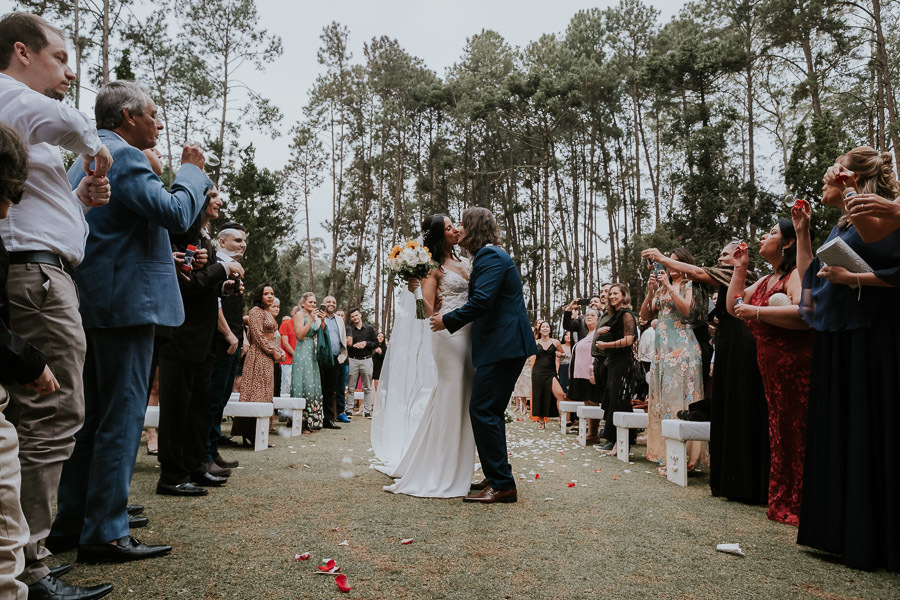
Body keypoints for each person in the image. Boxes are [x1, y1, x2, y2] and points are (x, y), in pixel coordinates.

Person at [49, 80, 211, 565]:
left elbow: (117, 231)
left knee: (92, 417)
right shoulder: (125, 156)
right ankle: (106, 531)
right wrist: (191, 171)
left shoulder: (85, 157)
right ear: (126, 117)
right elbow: (178, 213)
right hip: (128, 307)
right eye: (153, 114)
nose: (158, 123)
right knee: (121, 417)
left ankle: (73, 523)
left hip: (96, 301)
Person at [0, 12, 117, 592]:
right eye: (60, 58)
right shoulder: (9, 96)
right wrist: (95, 149)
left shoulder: (22, 116)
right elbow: (66, 120)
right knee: (54, 413)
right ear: (21, 52)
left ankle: (25, 554)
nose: (68, 72)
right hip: (37, 280)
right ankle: (27, 563)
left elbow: (41, 208)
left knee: (40, 415)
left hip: (44, 274)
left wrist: (82, 200)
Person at [793, 147, 900, 570]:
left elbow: (892, 266)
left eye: (830, 171)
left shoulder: (876, 216)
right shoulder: (842, 224)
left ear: (848, 176)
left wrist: (851, 276)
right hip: (837, 336)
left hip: (868, 337)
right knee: (840, 429)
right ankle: (836, 531)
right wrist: (803, 233)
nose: (823, 178)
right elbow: (810, 277)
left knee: (866, 428)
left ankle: (870, 536)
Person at [643, 243, 769, 504]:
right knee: (724, 409)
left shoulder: (740, 274)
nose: (719, 258)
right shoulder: (727, 279)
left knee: (739, 406)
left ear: (739, 256)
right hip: (723, 343)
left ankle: (736, 474)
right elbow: (711, 316)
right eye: (720, 253)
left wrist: (662, 259)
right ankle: (729, 475)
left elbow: (697, 275)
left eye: (725, 254)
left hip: (740, 344)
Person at [431, 207, 537, 504]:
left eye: (463, 223)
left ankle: (503, 484)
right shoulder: (485, 256)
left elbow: (482, 301)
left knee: (482, 409)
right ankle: (496, 475)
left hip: (504, 345)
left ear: (474, 227)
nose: (459, 228)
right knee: (489, 410)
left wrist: (447, 321)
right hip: (502, 345)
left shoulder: (491, 256)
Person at [379, 214, 477, 497]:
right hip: (447, 335)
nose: (454, 230)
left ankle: (457, 463)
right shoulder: (432, 268)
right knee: (451, 393)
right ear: (438, 235)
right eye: (448, 228)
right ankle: (442, 468)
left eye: (453, 225)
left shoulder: (464, 263)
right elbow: (428, 312)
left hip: (470, 333)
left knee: (464, 395)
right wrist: (417, 291)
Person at [727, 218, 811, 526]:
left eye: (772, 232)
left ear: (788, 243)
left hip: (795, 368)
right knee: (781, 434)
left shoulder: (793, 275)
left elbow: (803, 312)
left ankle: (800, 503)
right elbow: (733, 305)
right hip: (771, 371)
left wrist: (758, 312)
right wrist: (739, 268)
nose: (764, 236)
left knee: (797, 433)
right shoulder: (764, 281)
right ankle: (783, 500)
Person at [157, 186, 239, 495]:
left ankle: (195, 466)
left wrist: (223, 288)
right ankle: (171, 476)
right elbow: (185, 284)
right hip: (181, 336)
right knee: (177, 408)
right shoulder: (181, 231)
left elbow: (202, 287)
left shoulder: (203, 236)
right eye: (214, 194)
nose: (219, 200)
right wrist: (222, 268)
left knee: (198, 407)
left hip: (203, 340)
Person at [639, 250, 704, 472]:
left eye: (676, 262)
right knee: (664, 400)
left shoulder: (690, 285)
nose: (671, 266)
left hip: (682, 349)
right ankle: (668, 454)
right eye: (669, 262)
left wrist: (668, 287)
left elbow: (687, 312)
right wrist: (650, 293)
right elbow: (645, 316)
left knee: (681, 400)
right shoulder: (660, 286)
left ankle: (687, 459)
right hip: (662, 352)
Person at [205, 222, 246, 469]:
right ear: (222, 242)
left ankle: (213, 450)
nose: (242, 245)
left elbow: (234, 308)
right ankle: (206, 455)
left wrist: (244, 338)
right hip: (220, 340)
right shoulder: (215, 265)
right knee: (213, 398)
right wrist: (229, 334)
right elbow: (215, 305)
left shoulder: (237, 268)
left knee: (222, 399)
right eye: (237, 241)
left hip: (234, 339)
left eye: (243, 241)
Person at [232, 284, 285, 445]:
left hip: (268, 357)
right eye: (266, 293)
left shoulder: (268, 313)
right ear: (259, 296)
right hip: (258, 355)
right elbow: (258, 336)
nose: (270, 296)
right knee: (256, 393)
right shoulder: (255, 312)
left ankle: (261, 432)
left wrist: (279, 351)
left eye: (272, 293)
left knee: (267, 393)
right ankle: (249, 431)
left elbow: (272, 337)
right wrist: (273, 351)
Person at [594, 283, 638, 454]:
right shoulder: (614, 315)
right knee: (613, 400)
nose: (611, 296)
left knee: (621, 401)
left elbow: (628, 340)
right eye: (610, 294)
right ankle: (614, 440)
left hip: (623, 363)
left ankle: (622, 442)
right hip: (613, 362)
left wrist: (605, 344)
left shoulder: (627, 315)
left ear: (623, 295)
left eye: (615, 294)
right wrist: (600, 334)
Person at [566, 308, 603, 440]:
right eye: (587, 315)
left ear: (599, 319)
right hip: (580, 375)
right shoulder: (587, 334)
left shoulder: (598, 335)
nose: (589, 317)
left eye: (593, 315)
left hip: (590, 374)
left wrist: (593, 372)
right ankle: (592, 432)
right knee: (587, 402)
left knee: (592, 401)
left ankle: (593, 432)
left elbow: (596, 355)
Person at [291, 292, 324, 431]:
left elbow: (319, 332)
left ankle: (313, 420)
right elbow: (299, 334)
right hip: (302, 351)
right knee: (303, 382)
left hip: (311, 351)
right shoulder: (299, 315)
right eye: (310, 302)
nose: (313, 304)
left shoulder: (315, 316)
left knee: (312, 383)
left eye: (315, 302)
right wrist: (310, 319)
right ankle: (301, 420)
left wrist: (322, 321)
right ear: (303, 303)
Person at [318, 295, 348, 429]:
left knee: (330, 390)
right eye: (328, 302)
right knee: (319, 389)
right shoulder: (318, 317)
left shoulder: (339, 320)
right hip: (320, 357)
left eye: (334, 302)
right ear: (323, 304)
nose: (331, 304)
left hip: (335, 358)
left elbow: (342, 337)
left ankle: (328, 419)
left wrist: (342, 354)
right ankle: (316, 418)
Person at [530, 320, 565, 431]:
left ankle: (561, 418)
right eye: (543, 327)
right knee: (539, 395)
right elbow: (527, 354)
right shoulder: (535, 343)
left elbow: (563, 354)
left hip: (551, 372)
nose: (545, 328)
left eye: (547, 327)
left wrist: (560, 355)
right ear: (539, 330)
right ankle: (541, 421)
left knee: (559, 394)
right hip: (538, 372)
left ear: (550, 329)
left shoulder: (555, 342)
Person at [347, 308, 378, 418]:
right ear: (351, 318)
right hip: (353, 360)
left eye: (356, 315)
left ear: (360, 315)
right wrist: (353, 346)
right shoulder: (350, 330)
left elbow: (376, 343)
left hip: (367, 360)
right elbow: (347, 346)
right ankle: (349, 410)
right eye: (352, 316)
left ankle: (367, 411)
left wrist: (366, 343)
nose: (355, 318)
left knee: (367, 387)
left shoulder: (369, 329)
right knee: (351, 387)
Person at [279, 310, 296, 397]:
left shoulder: (302, 325)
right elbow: (285, 343)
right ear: (292, 312)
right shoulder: (286, 323)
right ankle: (284, 409)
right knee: (287, 384)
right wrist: (296, 355)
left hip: (299, 361)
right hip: (288, 359)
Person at [557, 331, 572, 395]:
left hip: (572, 369)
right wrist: (556, 373)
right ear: (564, 337)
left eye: (570, 335)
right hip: (563, 369)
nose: (568, 336)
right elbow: (557, 361)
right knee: (563, 387)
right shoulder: (560, 346)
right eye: (566, 335)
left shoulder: (575, 346)